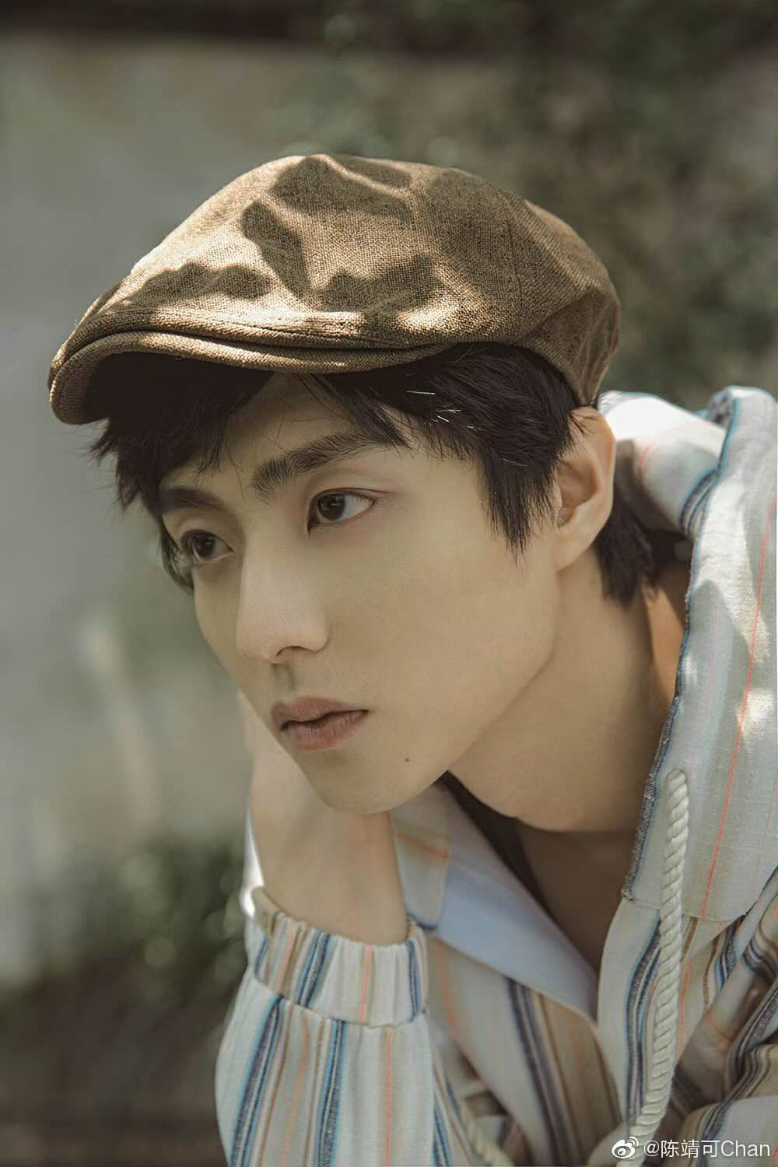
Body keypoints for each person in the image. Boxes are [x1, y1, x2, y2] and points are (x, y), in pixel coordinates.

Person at [48, 154, 777, 1167]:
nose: (262, 632)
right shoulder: (342, 793)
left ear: (570, 488)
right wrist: (328, 903)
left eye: (336, 505)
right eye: (205, 543)